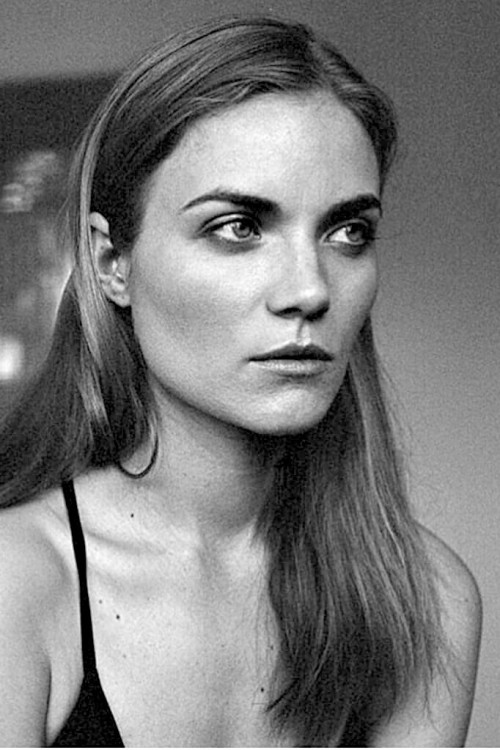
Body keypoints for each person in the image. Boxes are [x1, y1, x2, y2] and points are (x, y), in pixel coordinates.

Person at [0, 15, 481, 748]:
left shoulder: (427, 603)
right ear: (110, 263)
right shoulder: (18, 583)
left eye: (347, 232)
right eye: (239, 227)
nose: (309, 290)